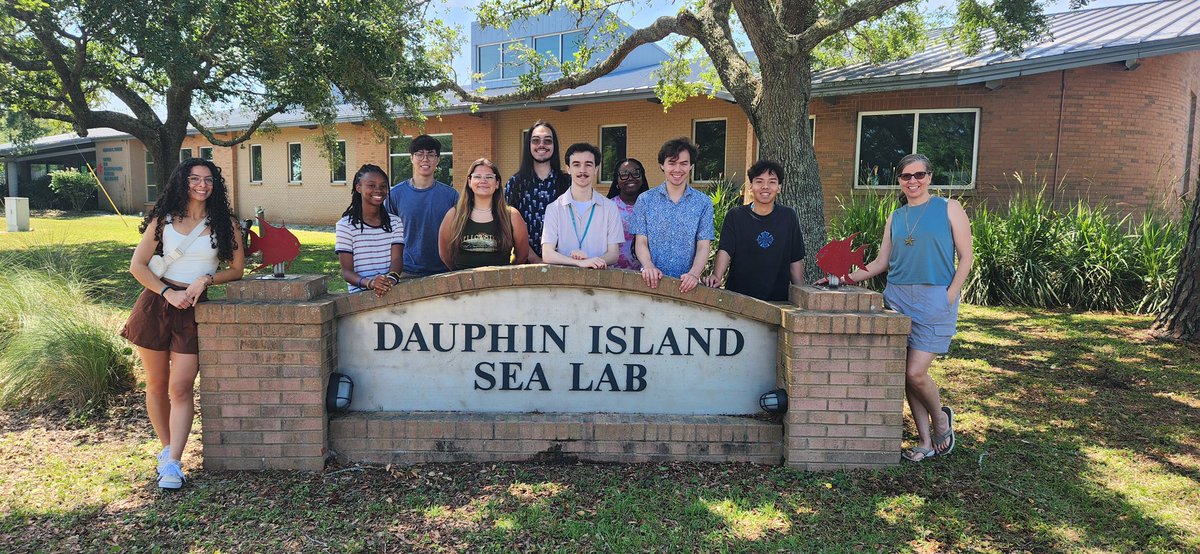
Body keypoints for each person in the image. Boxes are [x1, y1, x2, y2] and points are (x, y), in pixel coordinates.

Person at [831, 153, 973, 462]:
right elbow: (881, 262)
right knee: (905, 374)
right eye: (906, 176)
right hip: (897, 299)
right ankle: (924, 441)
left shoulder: (949, 208)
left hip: (935, 298)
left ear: (930, 177)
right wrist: (842, 278)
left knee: (915, 372)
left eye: (919, 175)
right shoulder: (896, 217)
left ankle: (941, 421)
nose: (913, 181)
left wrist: (949, 296)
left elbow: (967, 258)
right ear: (899, 181)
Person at [122, 158, 245, 489]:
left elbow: (236, 270)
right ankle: (167, 452)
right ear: (182, 182)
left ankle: (175, 462)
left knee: (181, 386)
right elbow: (138, 265)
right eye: (194, 178)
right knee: (157, 385)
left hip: (194, 308)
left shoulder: (225, 223)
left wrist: (206, 279)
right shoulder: (163, 221)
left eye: (208, 179)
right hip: (157, 304)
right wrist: (165, 291)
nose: (202, 184)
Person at [703, 160, 805, 301]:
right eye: (759, 181)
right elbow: (725, 250)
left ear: (779, 187)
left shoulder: (788, 216)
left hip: (778, 301)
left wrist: (801, 295)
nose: (765, 187)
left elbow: (795, 258)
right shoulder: (736, 215)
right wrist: (716, 276)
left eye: (772, 182)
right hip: (738, 299)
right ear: (751, 186)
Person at [630, 137, 714, 292]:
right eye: (672, 163)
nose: (678, 169)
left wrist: (694, 274)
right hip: (651, 282)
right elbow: (641, 241)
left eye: (684, 163)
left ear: (691, 166)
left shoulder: (703, 203)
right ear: (662, 165)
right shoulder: (645, 200)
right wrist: (648, 266)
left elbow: (703, 246)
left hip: (688, 285)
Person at [384, 135, 458, 277]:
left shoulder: (451, 196)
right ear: (411, 158)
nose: (425, 159)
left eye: (431, 154)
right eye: (419, 154)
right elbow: (387, 235)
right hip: (406, 271)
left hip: (443, 270)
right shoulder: (395, 195)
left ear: (438, 160)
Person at [542, 143, 623, 268]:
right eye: (576, 164)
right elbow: (547, 253)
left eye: (588, 164)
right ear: (568, 169)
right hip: (565, 283)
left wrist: (591, 262)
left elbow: (613, 254)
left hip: (599, 282)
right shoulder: (554, 208)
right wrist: (579, 263)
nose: (582, 170)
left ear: (596, 169)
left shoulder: (610, 208)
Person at [439, 158, 530, 269]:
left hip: (500, 284)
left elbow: (522, 255)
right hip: (464, 283)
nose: (483, 181)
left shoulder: (512, 216)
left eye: (489, 177)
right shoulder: (453, 215)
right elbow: (445, 254)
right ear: (469, 182)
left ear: (497, 183)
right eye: (477, 176)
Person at [505, 120, 570, 263]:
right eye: (536, 140)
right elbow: (507, 225)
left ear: (554, 146)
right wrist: (534, 259)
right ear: (529, 145)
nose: (542, 145)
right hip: (525, 263)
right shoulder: (515, 184)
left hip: (564, 262)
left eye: (547, 141)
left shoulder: (568, 183)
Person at [336, 164, 405, 295]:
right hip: (360, 296)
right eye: (371, 185)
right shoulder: (345, 225)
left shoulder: (395, 222)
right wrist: (371, 283)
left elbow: (397, 259)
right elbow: (347, 272)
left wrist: (389, 280)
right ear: (358, 188)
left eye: (383, 186)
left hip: (390, 291)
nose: (378, 190)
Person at [605, 158, 650, 270]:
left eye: (635, 173)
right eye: (624, 174)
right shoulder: (607, 207)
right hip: (611, 273)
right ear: (617, 180)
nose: (630, 178)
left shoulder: (652, 207)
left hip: (646, 274)